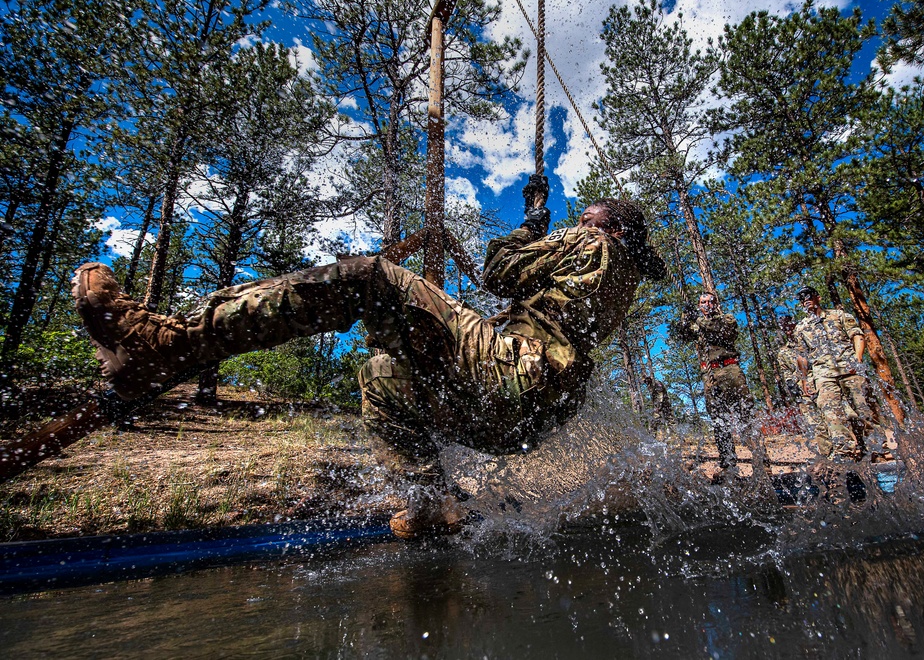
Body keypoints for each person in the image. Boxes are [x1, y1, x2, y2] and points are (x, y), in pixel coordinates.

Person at [71, 175, 666, 538]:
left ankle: (171, 346)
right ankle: (431, 506)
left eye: (588, 214)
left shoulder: (592, 243)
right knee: (382, 377)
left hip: (516, 371)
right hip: (528, 413)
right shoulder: (622, 278)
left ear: (608, 229)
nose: (578, 218)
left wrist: (531, 225)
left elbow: (499, 270)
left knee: (369, 278)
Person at [792, 286, 886, 463]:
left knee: (863, 409)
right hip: (823, 374)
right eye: (801, 298)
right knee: (831, 411)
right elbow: (802, 356)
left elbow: (857, 336)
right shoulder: (801, 328)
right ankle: (845, 452)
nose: (805, 299)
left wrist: (858, 359)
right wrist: (804, 380)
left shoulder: (839, 315)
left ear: (818, 297)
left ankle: (875, 448)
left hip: (848, 368)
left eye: (809, 295)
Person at [674, 292, 760, 479]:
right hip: (709, 374)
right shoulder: (697, 324)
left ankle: (761, 461)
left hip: (730, 370)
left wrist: (696, 318)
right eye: (703, 302)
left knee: (744, 414)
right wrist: (684, 318)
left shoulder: (725, 319)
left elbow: (716, 330)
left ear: (716, 304)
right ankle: (728, 465)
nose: (707, 304)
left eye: (710, 301)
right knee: (719, 420)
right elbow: (682, 335)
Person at [776, 315, 831, 457]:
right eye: (784, 328)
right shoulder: (783, 352)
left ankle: (845, 450)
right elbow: (785, 370)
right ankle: (827, 453)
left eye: (789, 326)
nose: (788, 330)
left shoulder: (808, 342)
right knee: (815, 423)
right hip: (801, 389)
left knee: (831, 416)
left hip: (820, 381)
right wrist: (790, 383)